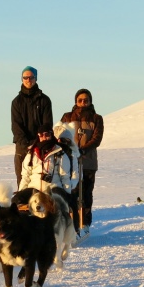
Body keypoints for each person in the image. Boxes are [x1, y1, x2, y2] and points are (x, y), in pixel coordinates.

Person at [60, 88, 104, 236]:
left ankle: (85, 223)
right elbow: (60, 133)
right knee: (71, 192)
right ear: (75, 101)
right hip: (70, 161)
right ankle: (71, 224)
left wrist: (83, 150)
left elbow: (96, 139)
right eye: (80, 100)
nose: (83, 103)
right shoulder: (67, 117)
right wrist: (69, 148)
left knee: (86, 194)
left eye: (86, 100)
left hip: (88, 162)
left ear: (90, 101)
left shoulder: (97, 118)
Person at [11, 66, 52, 187]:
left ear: (36, 78)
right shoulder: (16, 102)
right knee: (23, 181)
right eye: (25, 77)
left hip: (41, 146)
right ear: (22, 79)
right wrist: (26, 144)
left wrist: (38, 143)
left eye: (31, 77)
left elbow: (47, 124)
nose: (28, 80)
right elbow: (16, 126)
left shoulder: (44, 100)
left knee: (40, 181)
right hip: (22, 148)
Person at [19, 126, 74, 192]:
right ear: (38, 137)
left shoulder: (59, 153)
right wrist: (21, 192)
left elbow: (65, 177)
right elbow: (26, 176)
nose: (44, 137)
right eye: (41, 135)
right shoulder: (31, 154)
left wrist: (67, 194)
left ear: (51, 135)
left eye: (47, 134)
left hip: (53, 190)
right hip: (34, 189)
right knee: (16, 199)